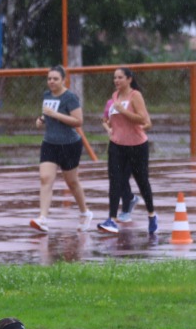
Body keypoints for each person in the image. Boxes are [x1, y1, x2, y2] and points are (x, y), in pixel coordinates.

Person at [30, 66, 91, 233]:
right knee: (45, 178)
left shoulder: (70, 97)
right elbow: (47, 114)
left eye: (55, 79)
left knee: (71, 181)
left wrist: (55, 115)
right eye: (49, 78)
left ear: (63, 80)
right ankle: (43, 218)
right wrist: (41, 119)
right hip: (49, 143)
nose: (51, 82)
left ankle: (85, 212)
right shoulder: (47, 95)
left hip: (69, 144)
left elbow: (78, 121)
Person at [98, 67, 158, 236]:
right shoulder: (114, 97)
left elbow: (143, 119)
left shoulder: (135, 96)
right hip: (117, 145)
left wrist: (124, 111)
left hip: (137, 146)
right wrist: (110, 127)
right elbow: (109, 119)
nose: (116, 81)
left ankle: (152, 215)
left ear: (129, 79)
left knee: (142, 181)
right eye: (115, 78)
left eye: (120, 77)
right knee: (115, 181)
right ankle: (111, 219)